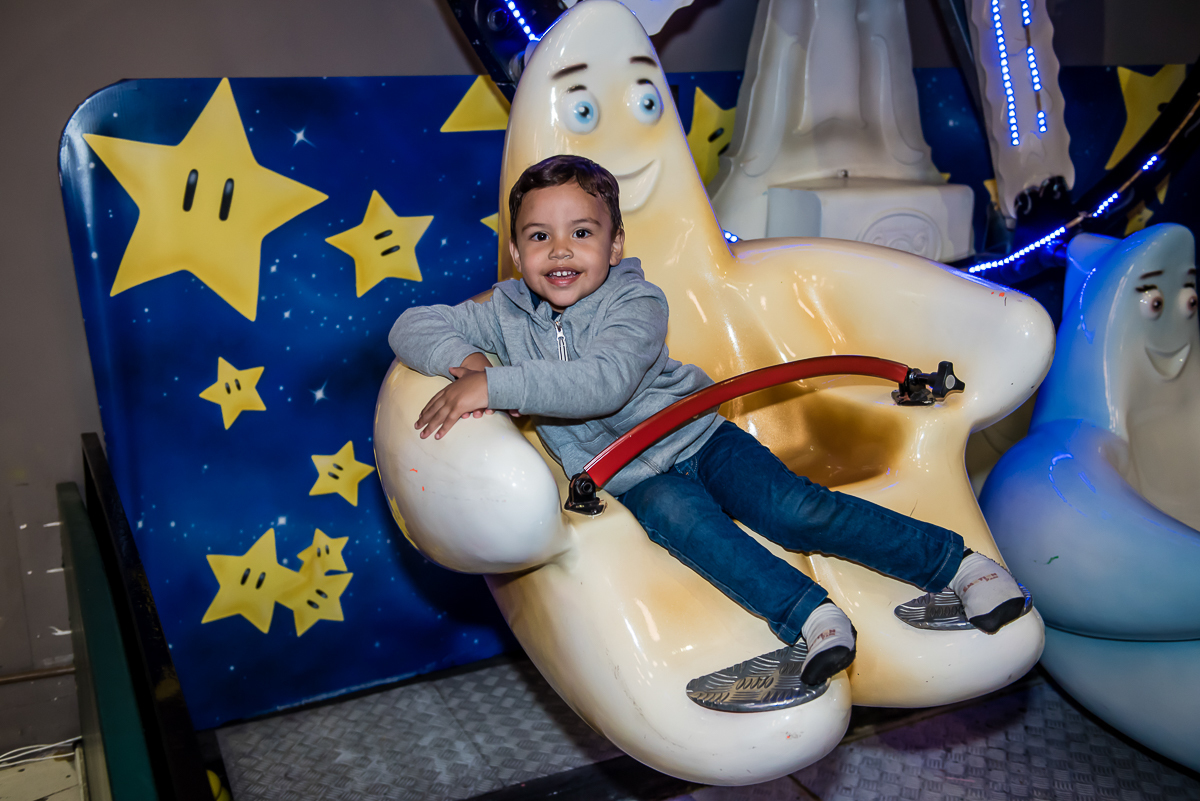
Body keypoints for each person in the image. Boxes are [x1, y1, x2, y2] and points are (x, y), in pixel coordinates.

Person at [389, 154, 1027, 692]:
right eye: (538, 236)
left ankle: (958, 566)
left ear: (614, 246)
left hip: (695, 435)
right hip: (631, 474)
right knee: (690, 529)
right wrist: (469, 361)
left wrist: (495, 383)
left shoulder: (636, 299)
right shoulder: (502, 313)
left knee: (791, 510)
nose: (560, 250)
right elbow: (409, 325)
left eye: (582, 233)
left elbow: (602, 381)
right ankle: (810, 617)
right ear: (515, 250)